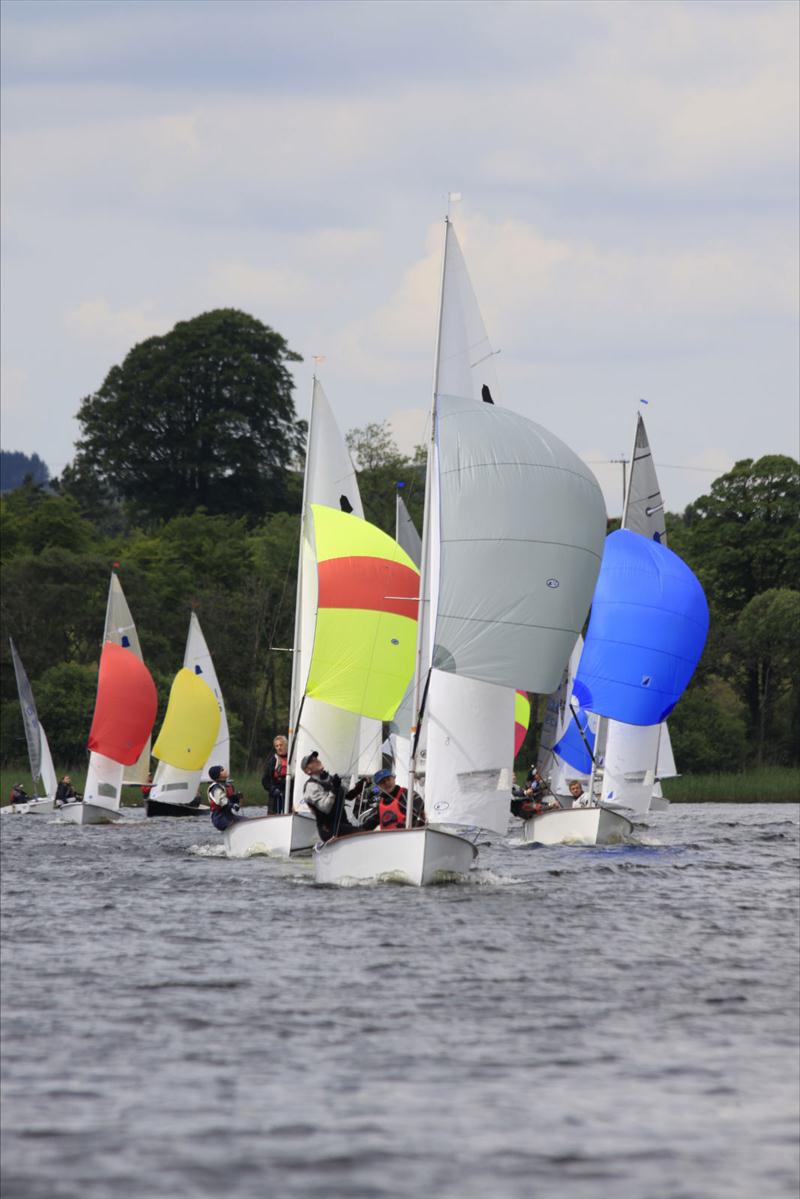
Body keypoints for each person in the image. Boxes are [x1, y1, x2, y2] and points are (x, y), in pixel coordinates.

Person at [300, 751, 358, 843]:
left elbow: (348, 796)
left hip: (343, 826)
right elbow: (325, 808)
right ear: (308, 771)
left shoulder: (330, 779)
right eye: (312, 761)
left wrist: (361, 785)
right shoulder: (311, 786)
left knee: (367, 827)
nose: (316, 760)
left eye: (316, 758)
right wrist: (334, 788)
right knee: (362, 832)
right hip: (329, 830)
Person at [208, 765, 245, 832]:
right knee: (234, 825)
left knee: (246, 822)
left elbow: (232, 800)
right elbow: (222, 801)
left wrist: (237, 797)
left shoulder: (228, 785)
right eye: (222, 770)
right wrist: (232, 805)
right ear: (217, 775)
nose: (225, 770)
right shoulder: (216, 788)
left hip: (229, 815)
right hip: (219, 817)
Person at [261, 734, 289, 814]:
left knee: (290, 812)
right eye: (277, 746)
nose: (279, 748)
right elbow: (265, 780)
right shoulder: (273, 760)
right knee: (272, 814)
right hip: (275, 794)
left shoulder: (292, 759)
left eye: (281, 745)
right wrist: (273, 789)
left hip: (288, 793)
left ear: (286, 745)